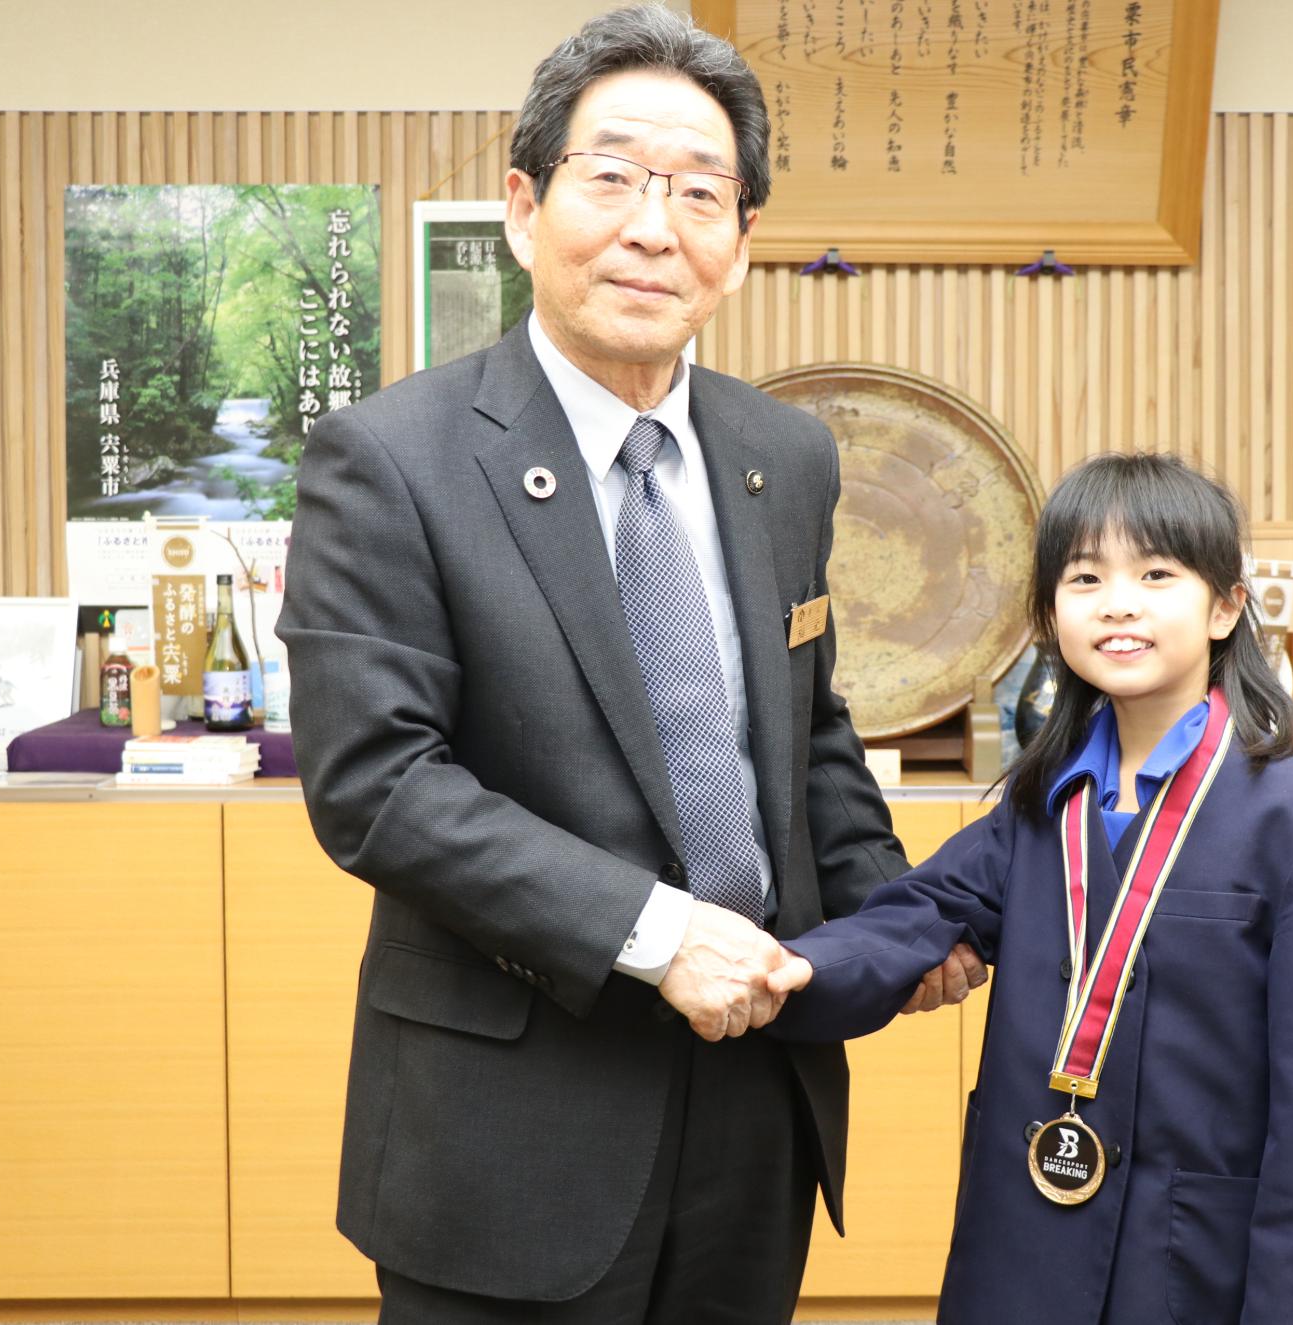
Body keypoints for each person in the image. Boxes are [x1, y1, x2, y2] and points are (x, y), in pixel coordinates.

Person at [279, 8, 979, 1322]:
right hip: (514, 1125)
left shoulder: (788, 457)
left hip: (755, 1101)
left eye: (701, 193)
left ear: (743, 239)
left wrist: (895, 915)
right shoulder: (393, 460)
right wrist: (657, 940)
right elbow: (379, 784)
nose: (655, 227)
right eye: (614, 178)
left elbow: (804, 732)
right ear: (523, 204)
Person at [768, 453, 1293, 1324]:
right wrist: (779, 973)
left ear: (1227, 605)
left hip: (1193, 1273)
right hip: (1019, 1261)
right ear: (1050, 615)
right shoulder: (1041, 808)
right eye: (1085, 577)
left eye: (1156, 573)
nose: (1119, 601)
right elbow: (910, 916)